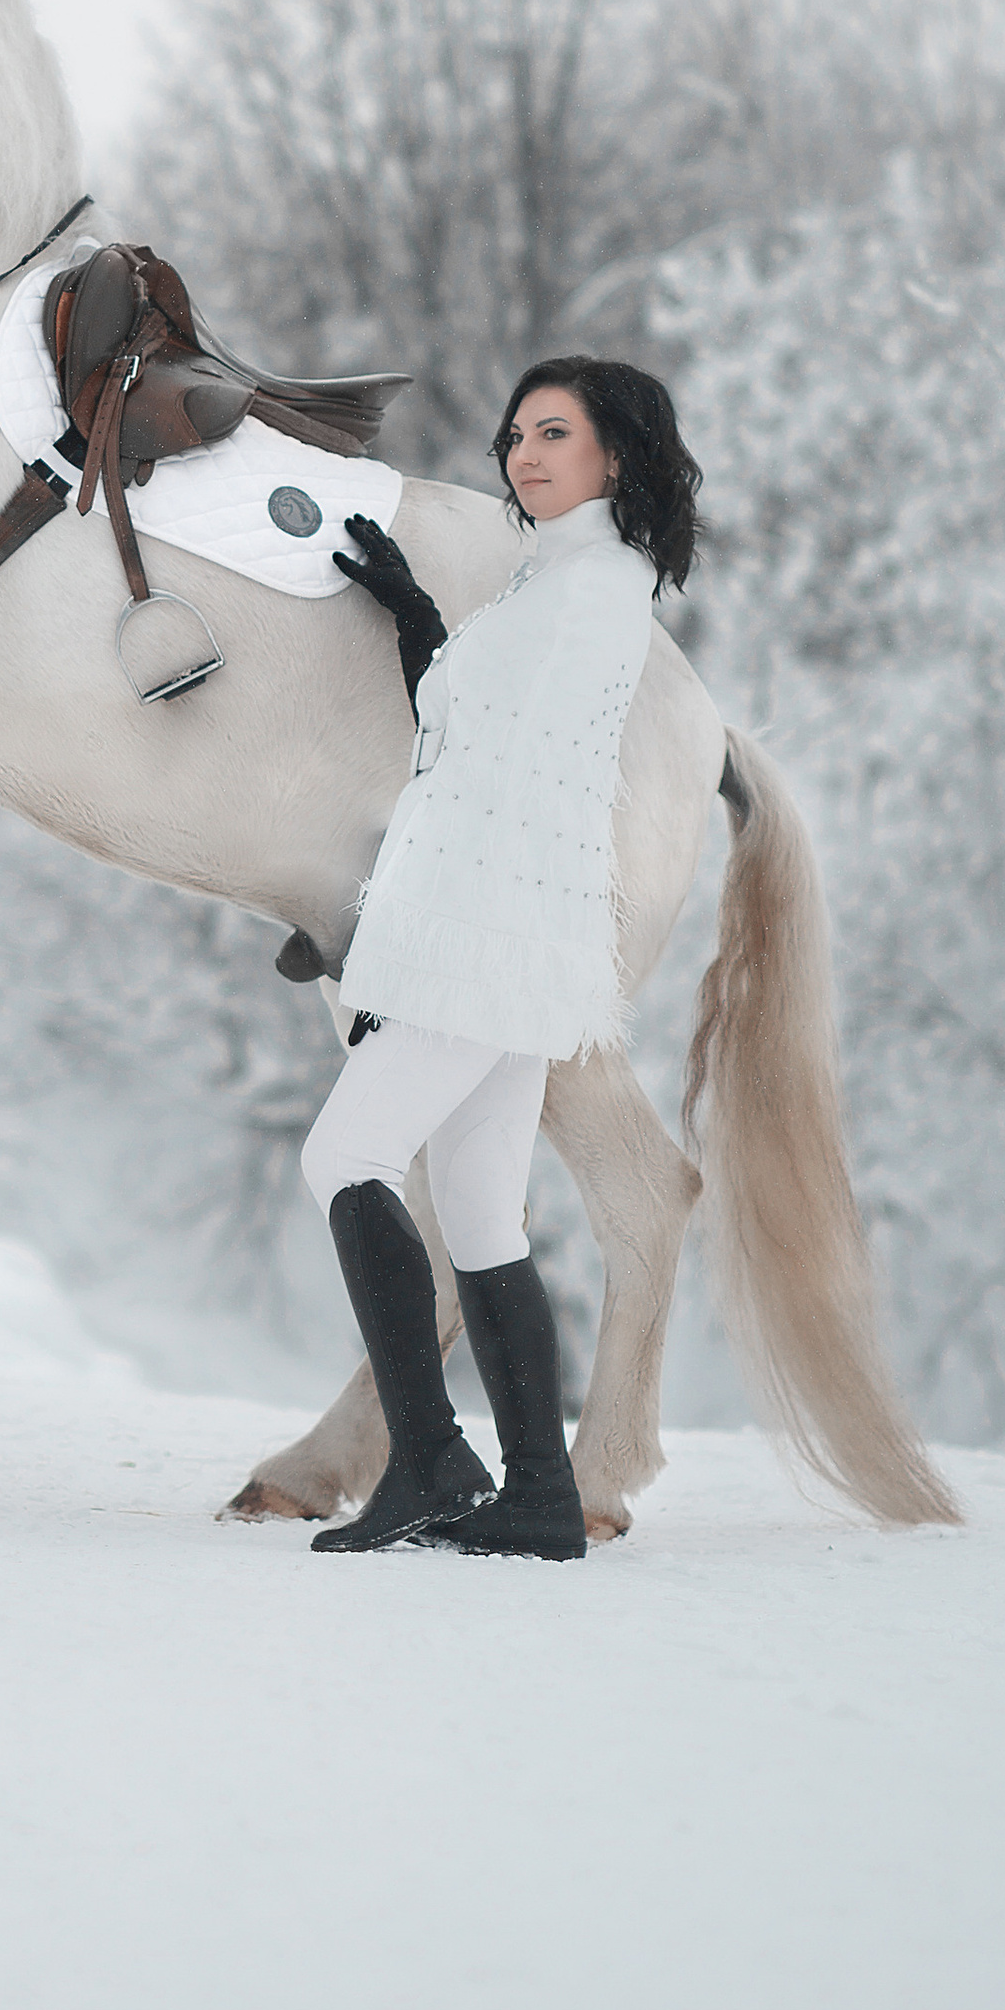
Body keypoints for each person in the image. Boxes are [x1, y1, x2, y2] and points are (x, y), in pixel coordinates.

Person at [299, 356, 703, 1559]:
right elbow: (467, 724)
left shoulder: (586, 590)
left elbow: (487, 782)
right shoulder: (568, 579)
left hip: (481, 931)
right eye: (516, 434)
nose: (524, 454)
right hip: (514, 936)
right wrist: (415, 613)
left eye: (554, 433)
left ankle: (427, 1457)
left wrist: (404, 964)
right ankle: (536, 1493)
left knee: (343, 1157)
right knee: (478, 1210)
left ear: (615, 454)